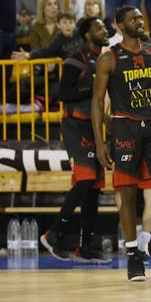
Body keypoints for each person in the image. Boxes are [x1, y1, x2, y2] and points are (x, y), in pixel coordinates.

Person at [91, 5, 151, 281]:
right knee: (127, 195)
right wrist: (100, 142)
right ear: (119, 25)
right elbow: (96, 102)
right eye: (133, 19)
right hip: (123, 127)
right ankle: (132, 256)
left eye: (141, 16)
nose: (139, 21)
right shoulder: (109, 59)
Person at [40, 17, 111, 264]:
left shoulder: (105, 59)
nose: (104, 30)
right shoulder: (76, 58)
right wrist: (91, 87)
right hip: (74, 126)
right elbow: (62, 93)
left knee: (94, 189)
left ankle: (85, 247)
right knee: (86, 179)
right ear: (87, 34)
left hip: (94, 128)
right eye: (98, 27)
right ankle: (53, 233)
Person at [12, 12, 78, 61]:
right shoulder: (58, 41)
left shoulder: (80, 34)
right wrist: (29, 55)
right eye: (64, 22)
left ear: (75, 24)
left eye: (71, 22)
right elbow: (46, 51)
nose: (68, 25)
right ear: (58, 25)